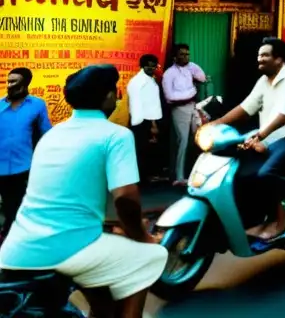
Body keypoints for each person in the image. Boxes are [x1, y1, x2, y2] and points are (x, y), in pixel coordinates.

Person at [0, 65, 167, 318]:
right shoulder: (117, 135)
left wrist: (110, 225)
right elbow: (126, 200)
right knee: (150, 256)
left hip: (17, 248)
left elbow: (64, 201)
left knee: (103, 292)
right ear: (110, 96)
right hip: (69, 249)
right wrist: (143, 236)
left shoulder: (52, 136)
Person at [209, 37, 285, 241]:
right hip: (273, 138)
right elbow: (245, 108)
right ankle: (255, 217)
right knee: (239, 170)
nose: (260, 58)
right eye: (259, 55)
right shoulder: (263, 81)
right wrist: (216, 123)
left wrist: (259, 136)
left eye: (265, 55)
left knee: (266, 174)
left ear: (279, 59)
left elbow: (284, 115)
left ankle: (282, 221)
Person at [0, 67, 51, 239]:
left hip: (24, 166)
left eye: (14, 81)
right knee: (8, 205)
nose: (9, 85)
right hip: (0, 166)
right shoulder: (0, 105)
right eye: (8, 81)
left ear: (26, 83)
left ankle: (14, 236)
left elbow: (46, 134)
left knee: (21, 205)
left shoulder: (37, 105)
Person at [161, 43, 207, 187]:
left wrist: (193, 68)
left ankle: (196, 173)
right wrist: (191, 93)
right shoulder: (169, 73)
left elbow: (203, 78)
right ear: (175, 57)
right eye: (182, 54)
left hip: (193, 107)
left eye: (187, 54)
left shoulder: (190, 68)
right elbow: (170, 96)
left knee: (199, 139)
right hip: (179, 109)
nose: (185, 57)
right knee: (183, 142)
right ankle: (179, 177)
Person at [126, 54, 163, 183]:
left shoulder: (150, 80)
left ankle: (143, 177)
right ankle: (142, 178)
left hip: (144, 120)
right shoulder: (139, 82)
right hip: (141, 121)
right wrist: (153, 125)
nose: (151, 68)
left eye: (154, 66)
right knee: (142, 150)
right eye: (148, 65)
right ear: (142, 66)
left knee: (145, 149)